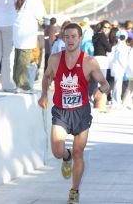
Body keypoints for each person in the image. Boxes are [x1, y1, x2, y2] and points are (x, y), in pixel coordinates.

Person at [38, 23, 110, 204]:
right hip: (61, 111)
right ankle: (65, 156)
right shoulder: (54, 59)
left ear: (80, 38)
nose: (70, 40)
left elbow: (105, 83)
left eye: (73, 37)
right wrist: (44, 95)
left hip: (81, 113)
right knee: (56, 151)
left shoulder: (89, 61)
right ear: (63, 39)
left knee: (79, 152)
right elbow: (46, 77)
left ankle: (74, 191)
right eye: (67, 37)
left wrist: (101, 91)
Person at [12, 0, 46, 92]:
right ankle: (23, 86)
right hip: (26, 30)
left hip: (19, 29)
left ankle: (17, 83)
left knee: (18, 57)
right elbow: (41, 15)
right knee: (24, 59)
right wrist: (43, 21)